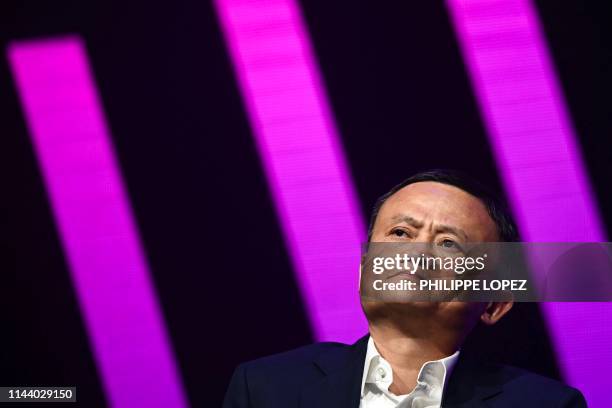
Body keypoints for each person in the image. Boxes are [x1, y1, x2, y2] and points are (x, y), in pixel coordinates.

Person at [223, 170, 587, 408]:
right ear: (365, 269)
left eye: (448, 243)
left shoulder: (545, 405)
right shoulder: (267, 388)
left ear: (495, 302)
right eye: (400, 234)